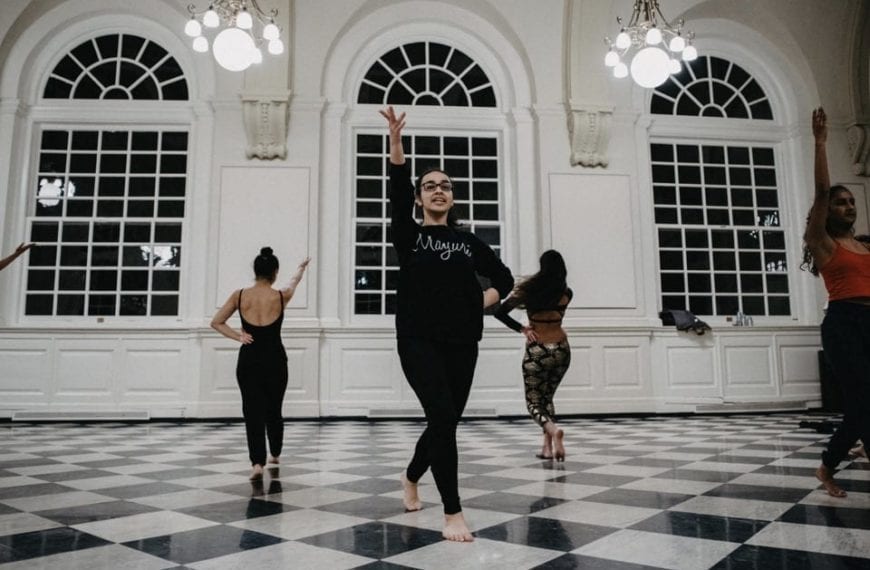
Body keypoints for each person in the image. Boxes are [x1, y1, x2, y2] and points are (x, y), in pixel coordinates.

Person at [380, 106, 514, 542]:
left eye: (446, 186)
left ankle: (412, 474)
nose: (438, 191)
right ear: (420, 197)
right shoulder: (409, 234)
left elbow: (505, 279)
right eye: (430, 186)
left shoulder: (468, 241)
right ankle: (453, 511)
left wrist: (480, 302)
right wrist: (396, 144)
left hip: (462, 340)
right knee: (440, 414)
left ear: (453, 197)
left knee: (445, 422)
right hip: (417, 338)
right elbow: (395, 191)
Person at [801, 107, 870, 498]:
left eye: (851, 203)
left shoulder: (864, 245)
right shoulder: (823, 243)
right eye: (840, 203)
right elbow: (821, 193)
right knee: (862, 401)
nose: (848, 207)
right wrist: (821, 143)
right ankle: (827, 467)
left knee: (867, 402)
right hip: (843, 323)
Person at [211, 248, 310, 480]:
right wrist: (301, 268)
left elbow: (216, 322)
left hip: (249, 359)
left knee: (252, 411)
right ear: (275, 272)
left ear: (255, 271)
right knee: (274, 409)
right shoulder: (281, 295)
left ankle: (257, 463)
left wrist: (239, 336)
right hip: (275, 359)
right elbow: (294, 282)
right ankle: (275, 453)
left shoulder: (240, 295)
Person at [494, 250, 572, 461]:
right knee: (547, 398)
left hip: (538, 351)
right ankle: (547, 448)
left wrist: (523, 329)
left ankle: (554, 431)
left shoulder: (530, 291)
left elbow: (499, 312)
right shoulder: (567, 293)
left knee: (534, 403)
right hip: (562, 349)